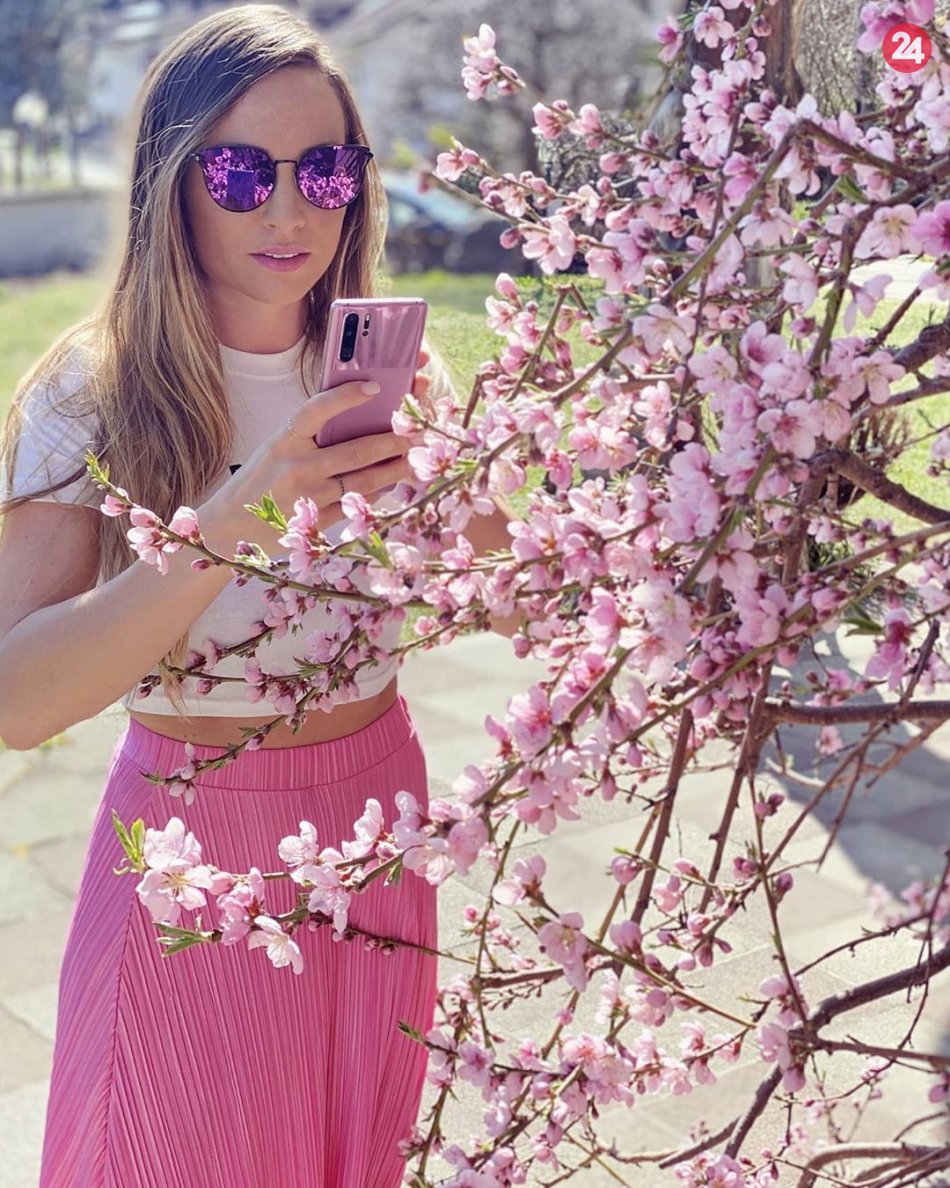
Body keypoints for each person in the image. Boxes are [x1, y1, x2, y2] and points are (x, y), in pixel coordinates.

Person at [0, 6, 518, 1185]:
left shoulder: (386, 374)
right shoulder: (93, 388)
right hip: (192, 847)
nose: (289, 211)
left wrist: (455, 492)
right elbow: (19, 700)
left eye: (324, 169)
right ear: (173, 181)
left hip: (378, 824)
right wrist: (231, 522)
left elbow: (514, 601)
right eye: (241, 174)